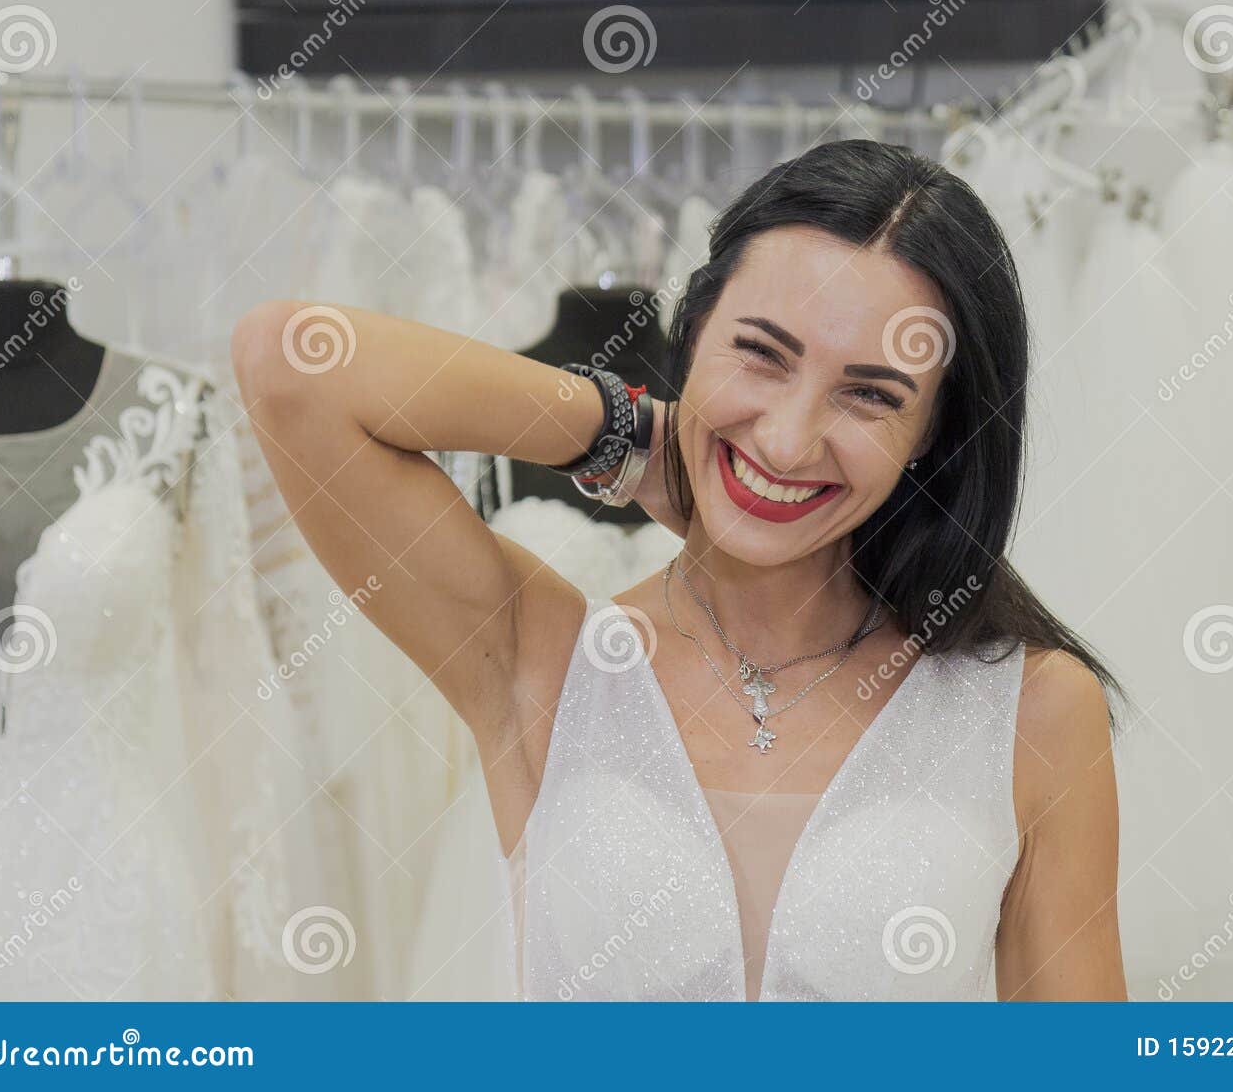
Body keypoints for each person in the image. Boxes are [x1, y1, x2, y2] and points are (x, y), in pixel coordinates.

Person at [231, 138, 1127, 1001]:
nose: (786, 437)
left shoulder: (1033, 709)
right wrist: (635, 441)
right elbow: (291, 363)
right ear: (691, 334)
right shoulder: (543, 661)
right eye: (760, 354)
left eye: (869, 394)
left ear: (931, 433)